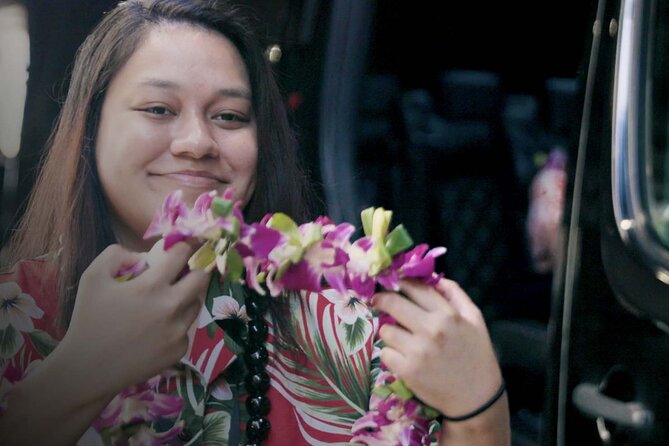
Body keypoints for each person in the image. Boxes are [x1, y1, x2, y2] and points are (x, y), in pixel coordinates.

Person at [0, 1, 510, 444]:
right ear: (91, 130)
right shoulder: (13, 316)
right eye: (158, 108)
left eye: (229, 116)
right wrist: (79, 376)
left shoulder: (351, 328)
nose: (197, 142)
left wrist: (480, 407)